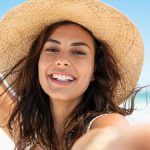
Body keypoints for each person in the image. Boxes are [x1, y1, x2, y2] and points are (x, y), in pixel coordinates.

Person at [0, 0, 149, 150]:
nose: (62, 60)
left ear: (94, 71)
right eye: (52, 49)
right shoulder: (28, 132)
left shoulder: (105, 123)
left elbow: (109, 138)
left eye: (78, 52)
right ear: (37, 62)